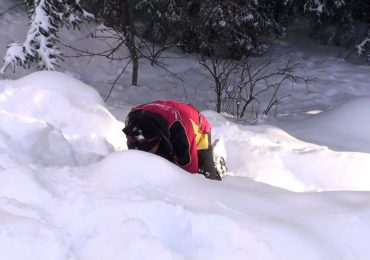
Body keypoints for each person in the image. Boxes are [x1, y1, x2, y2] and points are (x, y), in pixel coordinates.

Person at [122, 100, 222, 180]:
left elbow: (190, 173)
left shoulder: (180, 128)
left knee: (205, 177)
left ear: (158, 140)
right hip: (164, 117)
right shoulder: (131, 121)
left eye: (149, 152)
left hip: (197, 125)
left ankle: (216, 162)